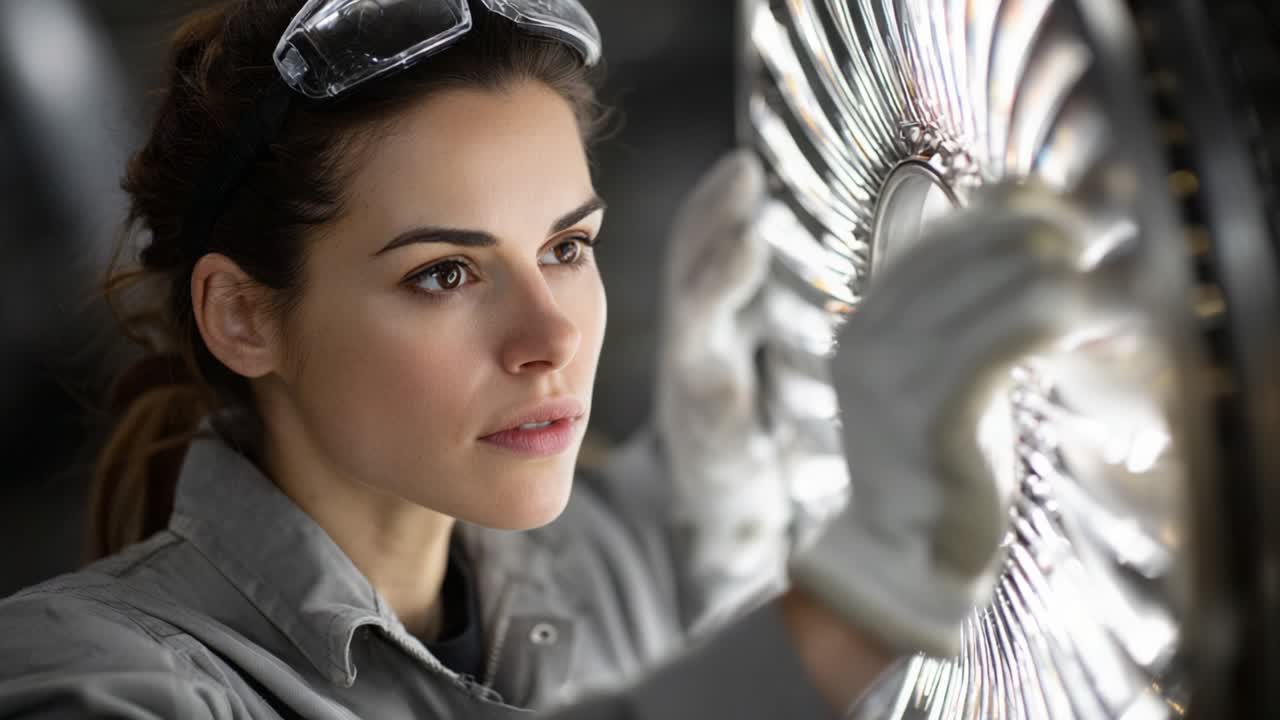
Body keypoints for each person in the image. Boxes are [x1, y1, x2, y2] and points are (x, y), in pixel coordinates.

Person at [0, 1, 1120, 717]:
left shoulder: (599, 575)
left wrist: (730, 502)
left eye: (565, 248)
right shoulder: (79, 674)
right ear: (244, 318)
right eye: (444, 272)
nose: (551, 340)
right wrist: (852, 606)